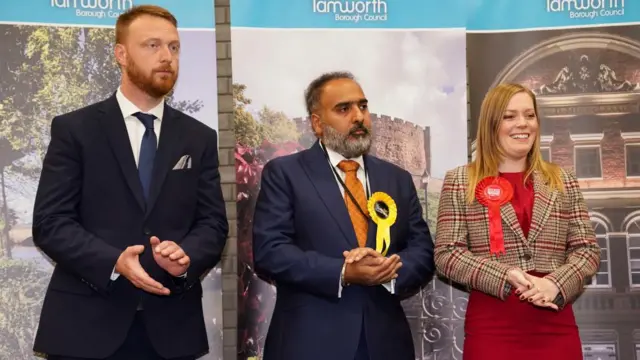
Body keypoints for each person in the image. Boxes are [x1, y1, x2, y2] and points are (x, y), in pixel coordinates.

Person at [31, 5, 228, 360]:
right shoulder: (75, 130)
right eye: (152, 46)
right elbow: (50, 223)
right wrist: (113, 261)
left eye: (174, 47)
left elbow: (212, 224)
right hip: (84, 330)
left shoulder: (198, 138)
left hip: (171, 332)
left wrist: (187, 258)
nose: (167, 57)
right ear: (121, 54)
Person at [251, 71, 435, 360]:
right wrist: (342, 272)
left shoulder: (397, 179)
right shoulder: (285, 174)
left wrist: (388, 271)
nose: (358, 116)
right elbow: (270, 252)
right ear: (317, 123)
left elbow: (423, 250)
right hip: (309, 343)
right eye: (343, 109)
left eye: (362, 106)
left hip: (386, 344)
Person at [434, 83, 600, 360]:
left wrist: (556, 283)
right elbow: (446, 254)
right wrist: (505, 275)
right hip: (492, 328)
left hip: (556, 327)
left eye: (529, 115)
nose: (522, 124)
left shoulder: (563, 181)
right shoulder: (460, 181)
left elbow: (588, 251)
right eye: (509, 116)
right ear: (491, 124)